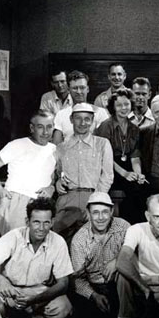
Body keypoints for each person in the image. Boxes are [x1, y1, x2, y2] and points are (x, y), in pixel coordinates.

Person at [0, 198, 73, 318]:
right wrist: (1, 281)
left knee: (63, 307)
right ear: (27, 221)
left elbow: (63, 282)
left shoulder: (58, 241)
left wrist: (35, 300)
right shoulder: (13, 236)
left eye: (46, 222)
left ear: (52, 222)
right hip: (9, 290)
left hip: (39, 292)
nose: (41, 228)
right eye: (36, 222)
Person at [70, 192, 130, 318]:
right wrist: (94, 295)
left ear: (111, 212)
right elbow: (77, 278)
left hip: (120, 284)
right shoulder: (79, 240)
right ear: (88, 214)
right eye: (95, 212)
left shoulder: (123, 226)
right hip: (94, 287)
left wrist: (117, 261)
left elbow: (136, 253)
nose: (101, 217)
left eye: (105, 212)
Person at [54, 103, 114, 240]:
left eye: (87, 119)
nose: (82, 123)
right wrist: (58, 182)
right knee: (61, 241)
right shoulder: (61, 147)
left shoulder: (102, 144)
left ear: (92, 121)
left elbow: (107, 176)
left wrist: (95, 203)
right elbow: (57, 174)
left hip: (93, 197)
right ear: (71, 120)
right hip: (67, 200)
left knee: (91, 244)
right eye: (78, 118)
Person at [0, 111, 56, 235]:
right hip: (17, 202)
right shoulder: (17, 145)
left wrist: (51, 187)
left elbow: (53, 176)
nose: (45, 132)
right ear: (32, 128)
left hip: (42, 204)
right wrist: (0, 190)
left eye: (49, 127)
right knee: (17, 246)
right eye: (40, 127)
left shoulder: (54, 149)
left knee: (38, 250)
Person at [94, 88, 147, 223]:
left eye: (127, 104)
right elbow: (104, 157)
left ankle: (136, 227)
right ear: (113, 107)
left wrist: (138, 174)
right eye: (119, 105)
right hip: (108, 166)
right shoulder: (105, 126)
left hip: (127, 165)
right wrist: (124, 173)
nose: (124, 108)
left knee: (141, 187)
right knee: (127, 191)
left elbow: (135, 156)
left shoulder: (134, 128)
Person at [52, 70, 110, 144]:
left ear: (87, 89)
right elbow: (56, 146)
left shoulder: (100, 113)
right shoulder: (61, 114)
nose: (79, 92)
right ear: (69, 90)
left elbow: (104, 144)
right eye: (75, 88)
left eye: (82, 88)